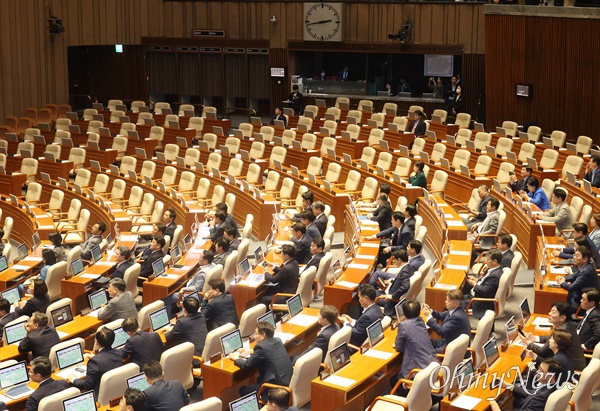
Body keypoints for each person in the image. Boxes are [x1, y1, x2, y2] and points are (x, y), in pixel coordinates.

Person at [231, 321, 293, 399]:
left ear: (263, 335)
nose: (254, 336)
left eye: (256, 334)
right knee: (258, 379)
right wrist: (250, 351)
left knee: (243, 390)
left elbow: (246, 365)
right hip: (287, 381)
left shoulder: (261, 348)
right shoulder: (278, 341)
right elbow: (268, 351)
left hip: (276, 389)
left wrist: (235, 357)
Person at [391, 300, 438, 391]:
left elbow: (399, 347)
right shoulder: (420, 322)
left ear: (404, 313)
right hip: (432, 367)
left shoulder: (403, 325)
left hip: (418, 372)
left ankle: (408, 401)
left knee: (393, 380)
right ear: (419, 313)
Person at [524, 301, 586, 371]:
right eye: (550, 311)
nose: (549, 313)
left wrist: (528, 343)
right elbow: (550, 338)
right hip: (570, 361)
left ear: (562, 317)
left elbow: (542, 352)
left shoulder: (563, 330)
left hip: (572, 367)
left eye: (553, 312)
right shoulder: (566, 325)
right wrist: (535, 338)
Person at [490, 358, 563, 411]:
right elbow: (531, 393)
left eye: (542, 371)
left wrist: (495, 407)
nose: (537, 372)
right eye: (539, 368)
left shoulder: (541, 398)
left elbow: (535, 397)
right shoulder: (553, 385)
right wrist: (507, 385)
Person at [68, 327, 123, 396]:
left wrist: (73, 379)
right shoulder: (119, 353)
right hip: (114, 390)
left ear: (96, 342)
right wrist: (96, 357)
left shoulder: (95, 362)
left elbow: (87, 385)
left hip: (98, 394)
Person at [165, 250, 215, 318]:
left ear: (206, 261)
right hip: (197, 291)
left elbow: (197, 288)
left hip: (193, 295)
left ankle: (167, 318)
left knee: (166, 297)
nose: (198, 258)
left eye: (200, 257)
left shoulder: (202, 273)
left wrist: (184, 288)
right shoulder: (213, 265)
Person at [163, 296, 208, 366]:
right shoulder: (202, 316)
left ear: (184, 310)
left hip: (194, 359)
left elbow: (169, 337)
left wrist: (167, 331)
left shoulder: (182, 322)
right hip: (205, 354)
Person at [339, 284, 383, 349]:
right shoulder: (377, 309)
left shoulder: (367, 316)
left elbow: (356, 334)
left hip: (356, 346)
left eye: (359, 297)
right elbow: (362, 326)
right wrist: (351, 320)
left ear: (366, 299)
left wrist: (345, 323)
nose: (359, 300)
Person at [462, 250, 503, 319]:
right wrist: (476, 280)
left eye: (488, 259)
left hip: (477, 300)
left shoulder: (495, 276)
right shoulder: (495, 270)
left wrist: (474, 284)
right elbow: (486, 283)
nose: (486, 261)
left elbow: (484, 291)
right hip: (472, 295)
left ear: (495, 261)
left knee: (453, 304)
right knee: (455, 297)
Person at [376, 249, 415, 317]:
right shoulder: (409, 267)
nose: (394, 261)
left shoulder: (404, 272)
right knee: (371, 291)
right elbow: (401, 281)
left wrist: (393, 296)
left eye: (395, 260)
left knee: (367, 295)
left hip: (390, 301)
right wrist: (391, 281)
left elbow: (406, 286)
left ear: (399, 260)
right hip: (390, 292)